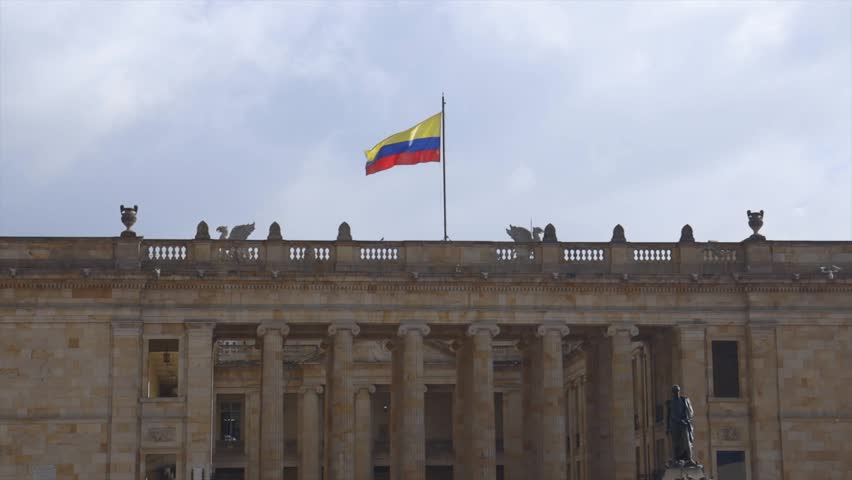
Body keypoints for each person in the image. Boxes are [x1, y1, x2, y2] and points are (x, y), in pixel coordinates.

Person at [666, 384, 695, 466]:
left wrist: (686, 420)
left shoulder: (684, 400)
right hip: (675, 425)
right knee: (675, 443)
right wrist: (667, 427)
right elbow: (668, 416)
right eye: (675, 391)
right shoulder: (670, 403)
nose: (676, 393)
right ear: (673, 392)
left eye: (678, 391)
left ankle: (689, 459)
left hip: (684, 424)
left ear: (679, 391)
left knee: (687, 442)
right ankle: (675, 460)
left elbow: (690, 412)